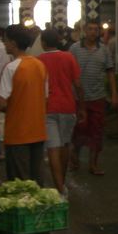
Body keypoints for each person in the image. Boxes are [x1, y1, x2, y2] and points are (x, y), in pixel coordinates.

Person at [0, 24, 48, 184]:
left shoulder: (11, 67)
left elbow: (1, 104)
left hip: (18, 133)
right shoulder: (40, 65)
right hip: (38, 131)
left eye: (5, 40)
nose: (4, 44)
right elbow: (45, 97)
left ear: (13, 43)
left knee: (19, 183)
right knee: (36, 181)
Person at [38, 29, 85, 195]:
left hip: (47, 108)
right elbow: (78, 85)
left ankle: (59, 187)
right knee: (65, 145)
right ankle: (62, 182)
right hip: (68, 107)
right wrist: (81, 107)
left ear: (43, 43)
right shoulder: (68, 57)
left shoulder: (39, 60)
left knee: (52, 148)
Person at [70, 21, 118, 176]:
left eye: (95, 29)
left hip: (98, 97)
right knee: (78, 131)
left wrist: (114, 93)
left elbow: (110, 72)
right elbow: (68, 72)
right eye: (90, 29)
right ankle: (75, 158)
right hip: (78, 99)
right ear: (84, 31)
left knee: (96, 132)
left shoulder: (104, 50)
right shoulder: (74, 49)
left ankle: (93, 163)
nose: (93, 32)